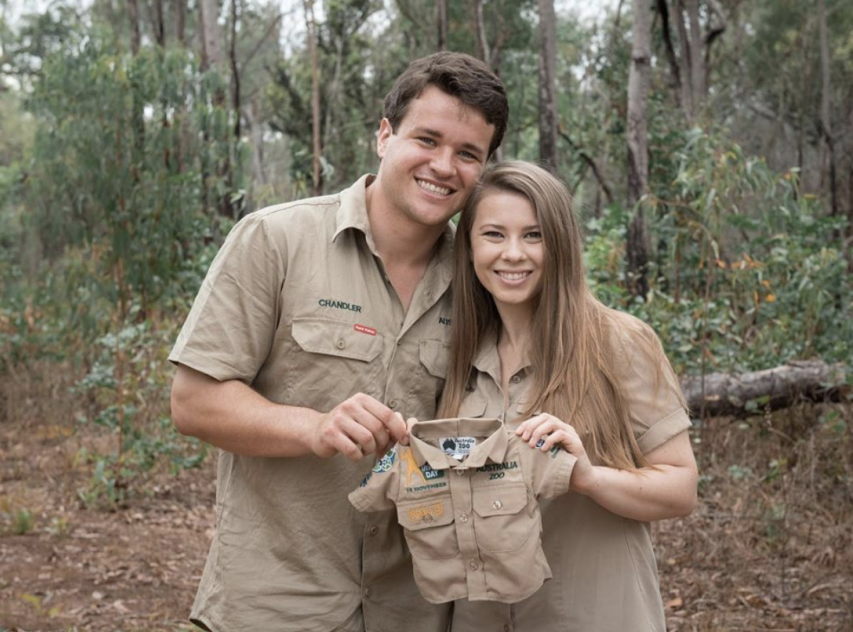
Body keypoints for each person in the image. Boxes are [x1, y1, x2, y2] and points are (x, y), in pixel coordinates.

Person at [168, 52, 508, 632]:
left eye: (468, 153)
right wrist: (315, 427)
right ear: (384, 135)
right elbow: (193, 401)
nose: (444, 166)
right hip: (277, 603)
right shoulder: (276, 240)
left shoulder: (486, 279)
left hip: (414, 609)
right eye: (427, 138)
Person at [438, 161, 698, 631]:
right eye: (494, 235)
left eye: (533, 235)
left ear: (560, 244)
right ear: (469, 247)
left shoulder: (619, 341)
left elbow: (680, 490)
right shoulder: (458, 356)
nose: (513, 254)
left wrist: (587, 477)